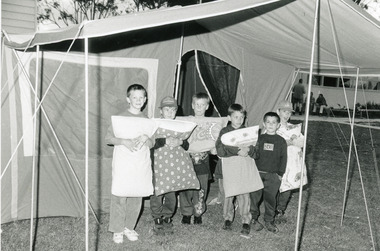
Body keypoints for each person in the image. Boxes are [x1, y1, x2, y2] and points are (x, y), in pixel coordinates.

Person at [105, 84, 154, 244]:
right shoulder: (119, 118)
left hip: (140, 163)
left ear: (145, 100)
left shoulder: (148, 121)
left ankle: (129, 227)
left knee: (137, 195)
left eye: (141, 97)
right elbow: (108, 138)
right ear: (128, 99)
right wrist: (123, 141)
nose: (138, 100)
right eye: (135, 97)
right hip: (123, 162)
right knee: (120, 195)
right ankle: (117, 229)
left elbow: (153, 143)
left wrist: (147, 138)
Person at [150, 96, 192, 235]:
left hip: (174, 168)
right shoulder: (155, 124)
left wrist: (181, 142)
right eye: (166, 109)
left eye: (173, 110)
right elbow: (150, 143)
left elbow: (187, 144)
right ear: (161, 111)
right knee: (157, 194)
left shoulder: (181, 126)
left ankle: (167, 217)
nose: (170, 112)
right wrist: (164, 140)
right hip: (158, 167)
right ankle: (157, 219)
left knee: (171, 195)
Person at [215, 104, 258, 235]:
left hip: (242, 170)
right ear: (229, 117)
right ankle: (227, 218)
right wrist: (238, 150)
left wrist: (249, 150)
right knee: (227, 195)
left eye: (241, 117)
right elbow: (220, 150)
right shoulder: (224, 132)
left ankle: (246, 220)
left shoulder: (249, 133)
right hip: (227, 170)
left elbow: (257, 152)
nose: (239, 120)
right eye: (235, 117)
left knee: (244, 195)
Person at [250, 112, 287, 233]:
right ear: (263, 124)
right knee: (254, 198)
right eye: (268, 122)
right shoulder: (259, 138)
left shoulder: (281, 141)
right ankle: (253, 219)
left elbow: (283, 158)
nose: (271, 125)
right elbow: (253, 155)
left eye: (274, 122)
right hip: (257, 173)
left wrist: (280, 174)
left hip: (273, 175)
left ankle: (269, 220)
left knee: (271, 199)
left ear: (278, 125)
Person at [179, 92, 212, 225]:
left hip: (203, 163)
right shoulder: (186, 122)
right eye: (197, 104)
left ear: (207, 106)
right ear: (192, 105)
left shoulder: (211, 124)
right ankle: (186, 213)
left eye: (202, 105)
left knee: (201, 188)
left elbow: (213, 140)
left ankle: (198, 212)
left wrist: (213, 148)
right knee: (186, 188)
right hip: (187, 160)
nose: (199, 107)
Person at [275, 100, 306, 224]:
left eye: (288, 112)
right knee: (276, 184)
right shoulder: (273, 126)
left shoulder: (294, 128)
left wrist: (299, 141)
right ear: (278, 112)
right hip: (278, 160)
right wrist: (288, 142)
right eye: (284, 111)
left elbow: (302, 142)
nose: (286, 115)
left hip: (291, 161)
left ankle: (280, 209)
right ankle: (272, 207)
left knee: (288, 184)